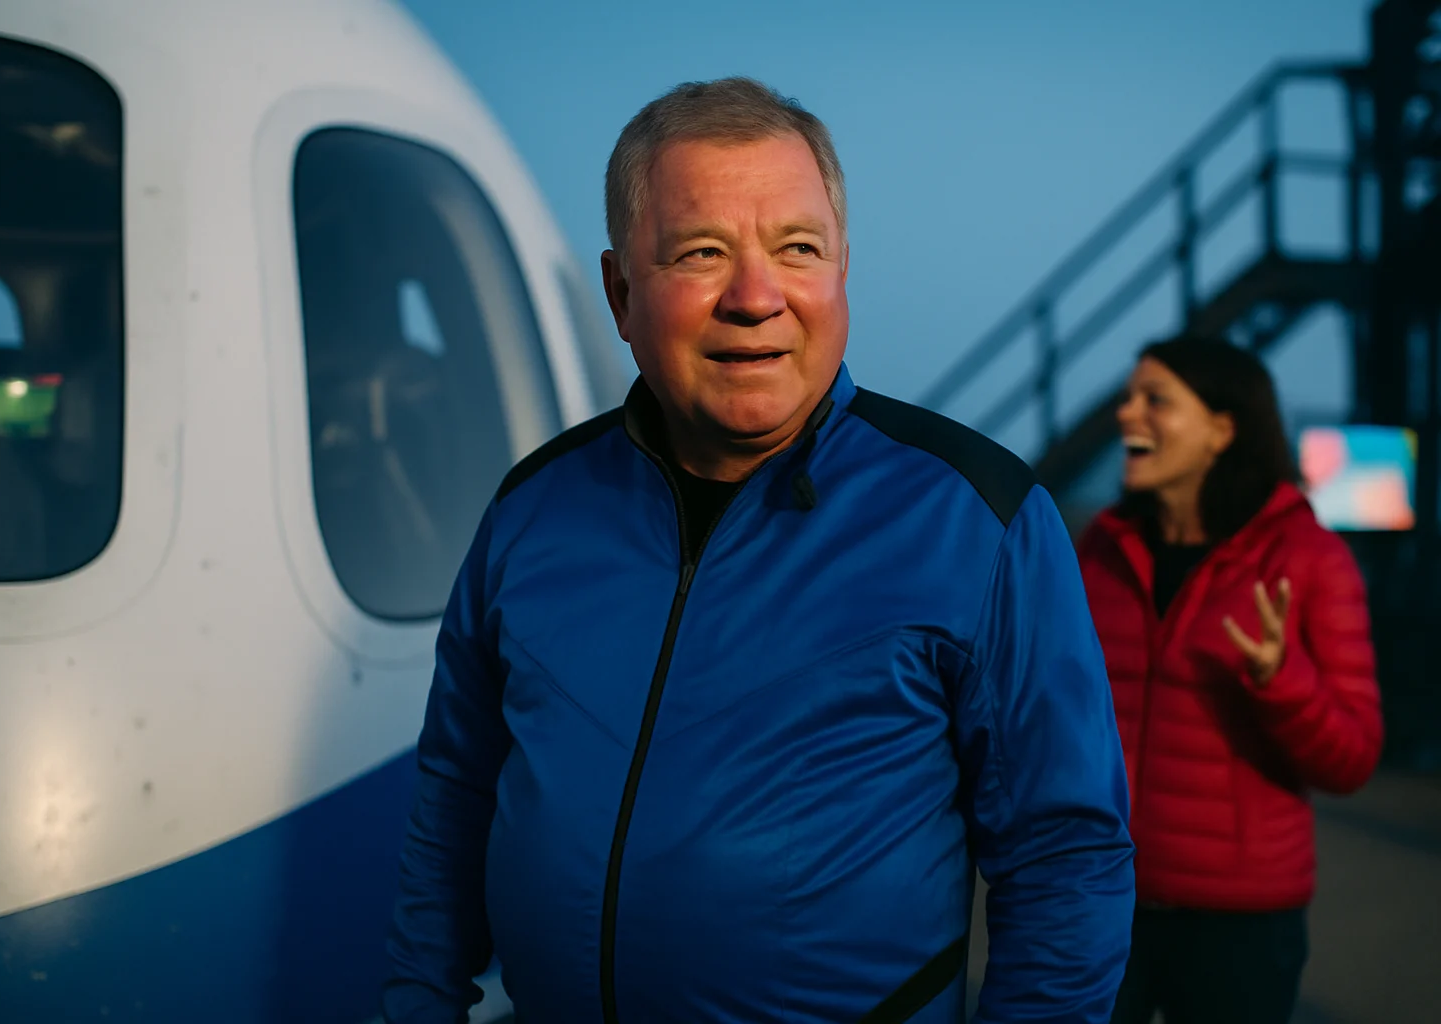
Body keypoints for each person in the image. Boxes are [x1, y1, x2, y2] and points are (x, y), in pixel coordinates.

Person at [384, 76, 1134, 1024]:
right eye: (702, 253)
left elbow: (1064, 859)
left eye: (798, 250)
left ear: (842, 272)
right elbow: (455, 796)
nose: (755, 296)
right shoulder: (533, 510)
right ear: (621, 291)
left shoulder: (977, 518)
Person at [1077, 337, 1384, 1024]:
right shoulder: (1102, 545)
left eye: (1156, 400)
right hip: (1101, 897)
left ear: (1223, 428)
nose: (1128, 415)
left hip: (1239, 921)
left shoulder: (1309, 558)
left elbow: (1353, 760)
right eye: (1129, 398)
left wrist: (1282, 679)